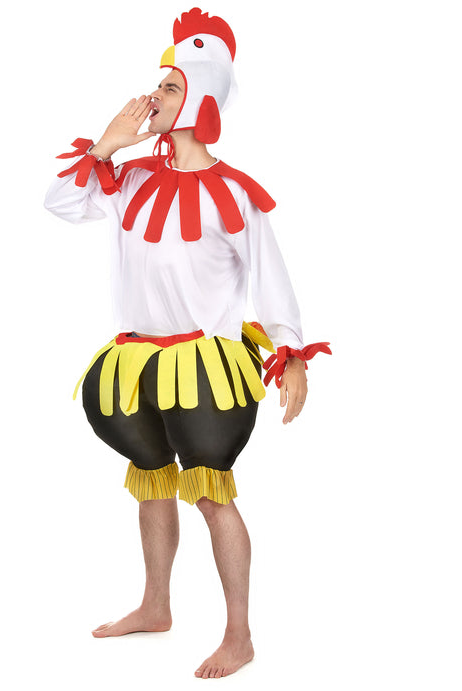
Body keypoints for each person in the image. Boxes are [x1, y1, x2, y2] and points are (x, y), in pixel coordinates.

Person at [44, 8, 330, 679]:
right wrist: (106, 148)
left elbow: (271, 278)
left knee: (210, 492)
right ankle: (155, 605)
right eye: (158, 83)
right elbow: (59, 203)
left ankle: (239, 634)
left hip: (202, 362)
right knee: (151, 480)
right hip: (135, 357)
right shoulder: (130, 179)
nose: (154, 95)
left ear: (201, 100)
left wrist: (290, 354)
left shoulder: (233, 194)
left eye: (170, 87)